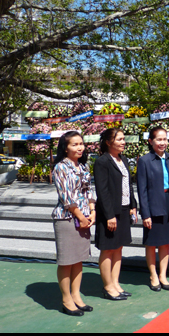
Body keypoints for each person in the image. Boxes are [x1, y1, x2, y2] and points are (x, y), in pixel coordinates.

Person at [51, 131, 96, 316]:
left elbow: (89, 192)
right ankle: (66, 299)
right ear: (65, 147)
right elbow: (66, 197)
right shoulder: (61, 168)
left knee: (78, 260)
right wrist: (81, 217)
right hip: (67, 219)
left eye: (81, 144)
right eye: (74, 144)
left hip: (85, 218)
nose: (80, 147)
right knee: (66, 261)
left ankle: (76, 296)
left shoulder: (83, 166)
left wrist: (93, 212)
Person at [94, 128, 137, 301]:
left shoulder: (123, 159)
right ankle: (107, 286)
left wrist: (133, 205)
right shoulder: (102, 162)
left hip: (124, 209)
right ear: (108, 142)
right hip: (110, 212)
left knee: (119, 247)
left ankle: (115, 283)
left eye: (123, 139)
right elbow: (102, 191)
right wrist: (109, 215)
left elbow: (128, 184)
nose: (123, 142)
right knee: (108, 249)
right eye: (119, 139)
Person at [137, 126, 169, 292]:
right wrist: (145, 213)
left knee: (165, 243)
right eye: (159, 139)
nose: (163, 143)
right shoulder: (145, 161)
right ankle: (153, 275)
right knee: (152, 243)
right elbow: (142, 189)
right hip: (153, 204)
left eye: (165, 139)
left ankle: (163, 275)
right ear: (150, 141)